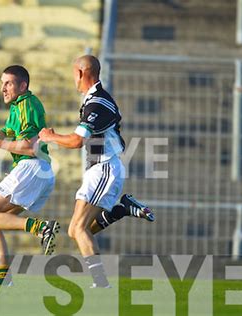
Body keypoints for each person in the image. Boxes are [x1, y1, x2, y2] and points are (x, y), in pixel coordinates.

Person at [38, 55, 155, 288]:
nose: (73, 78)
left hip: (105, 169)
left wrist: (49, 136)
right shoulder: (93, 99)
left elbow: (76, 141)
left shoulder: (98, 103)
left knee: (79, 229)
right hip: (102, 169)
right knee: (75, 230)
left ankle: (101, 282)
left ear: (81, 73)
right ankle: (120, 209)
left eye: (74, 73)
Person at [0, 65, 59, 286]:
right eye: (2, 83)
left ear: (23, 86)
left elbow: (30, 147)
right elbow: (9, 134)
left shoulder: (27, 105)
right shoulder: (17, 107)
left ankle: (40, 228)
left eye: (8, 83)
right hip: (40, 172)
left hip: (31, 166)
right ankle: (3, 275)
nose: (3, 88)